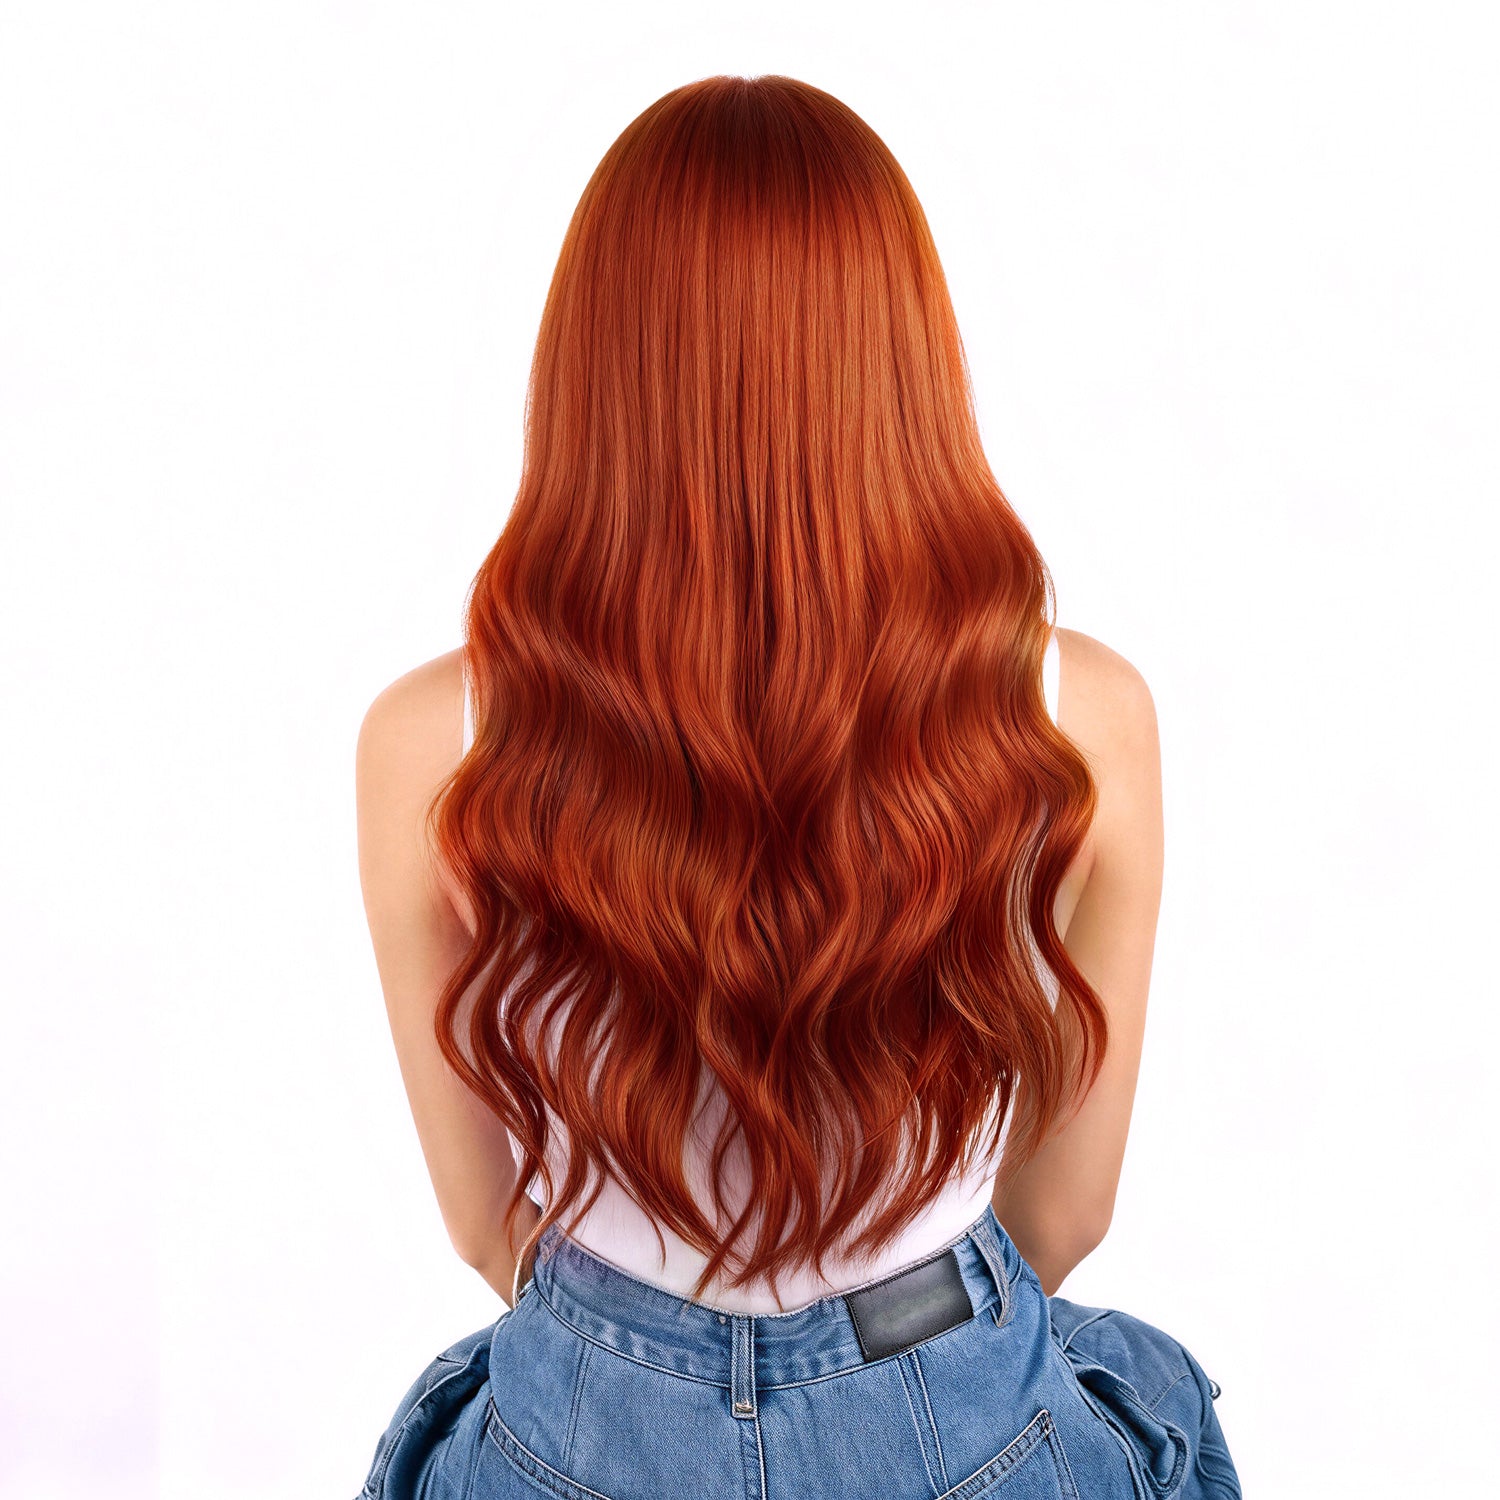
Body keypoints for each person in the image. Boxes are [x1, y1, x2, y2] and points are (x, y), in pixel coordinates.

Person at [354, 73, 1242, 1500]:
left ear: (594, 368)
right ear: (901, 363)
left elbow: (487, 1228)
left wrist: (667, 1345)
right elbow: (1064, 1221)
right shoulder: (1082, 716)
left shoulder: (428, 739)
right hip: (957, 1413)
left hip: (580, 1424)